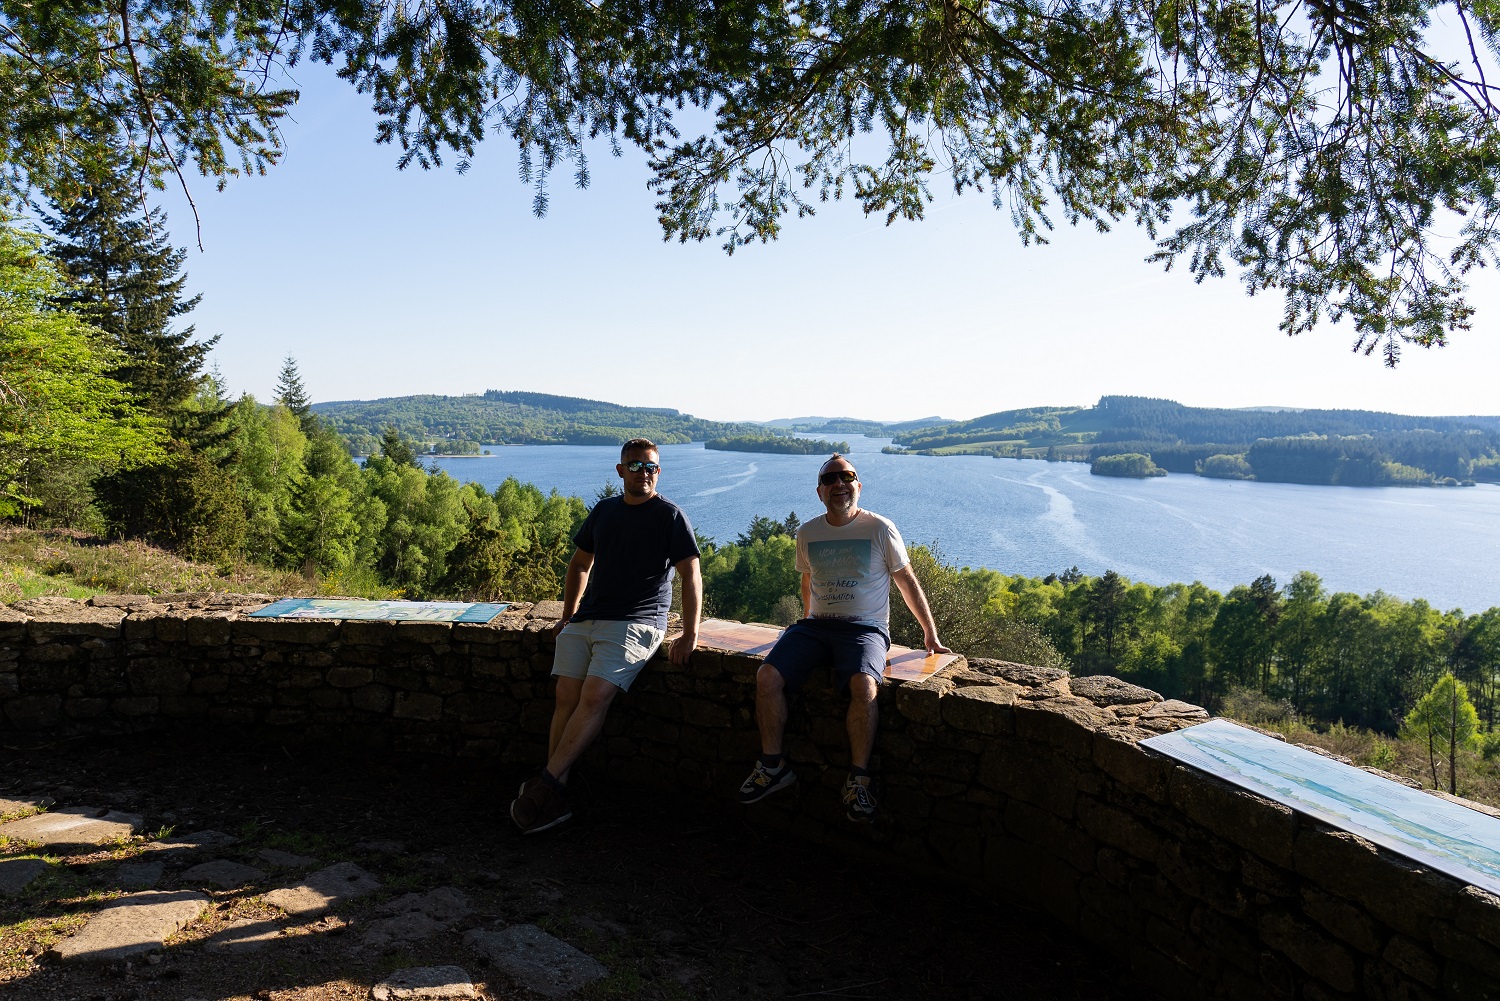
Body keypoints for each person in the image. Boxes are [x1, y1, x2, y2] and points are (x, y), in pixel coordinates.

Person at [737, 454, 949, 822]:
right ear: (820, 492)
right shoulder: (808, 532)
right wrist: (804, 623)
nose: (839, 484)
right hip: (816, 626)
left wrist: (930, 633)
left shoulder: (880, 529)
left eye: (847, 477)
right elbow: (807, 581)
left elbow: (906, 581)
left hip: (865, 627)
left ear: (858, 486)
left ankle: (859, 780)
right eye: (831, 479)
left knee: (864, 685)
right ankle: (773, 767)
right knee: (767, 676)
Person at [510, 438, 702, 834]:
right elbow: (580, 563)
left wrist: (691, 631)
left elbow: (691, 574)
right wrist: (567, 616)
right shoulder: (604, 511)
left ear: (658, 471)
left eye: (649, 467)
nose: (642, 473)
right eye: (634, 466)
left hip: (638, 622)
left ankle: (544, 786)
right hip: (588, 619)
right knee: (566, 697)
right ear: (620, 471)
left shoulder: (670, 516)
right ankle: (556, 791)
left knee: (595, 695)